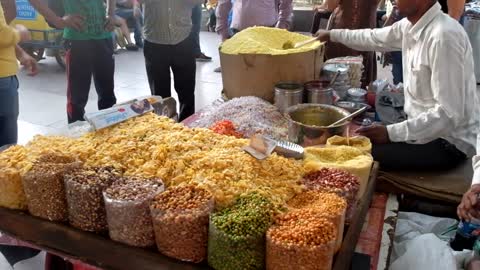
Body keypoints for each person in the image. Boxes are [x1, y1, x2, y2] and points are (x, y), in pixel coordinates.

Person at [316, 0, 478, 171]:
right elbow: (372, 37)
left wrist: (390, 133)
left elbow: (449, 115)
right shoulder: (409, 26)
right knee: (376, 110)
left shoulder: (444, 36)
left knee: (356, 153)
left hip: (448, 142)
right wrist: (331, 34)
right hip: (420, 124)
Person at [28, 0, 118, 124]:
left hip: (104, 36)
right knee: (77, 98)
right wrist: (58, 21)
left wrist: (111, 13)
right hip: (77, 40)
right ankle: (77, 137)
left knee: (108, 94)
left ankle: (113, 136)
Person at [142, 0, 203, 121]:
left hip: (184, 39)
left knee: (187, 93)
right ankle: (165, 131)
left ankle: (187, 128)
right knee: (160, 96)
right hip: (155, 40)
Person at [214, 0, 293, 72]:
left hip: (267, 30)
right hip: (240, 31)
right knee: (240, 71)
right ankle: (229, 64)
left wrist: (283, 22)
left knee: (266, 70)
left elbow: (286, 2)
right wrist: (222, 29)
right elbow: (223, 4)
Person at [323, 0, 380, 88]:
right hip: (366, 29)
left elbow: (330, 5)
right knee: (361, 73)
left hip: (342, 31)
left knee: (337, 76)